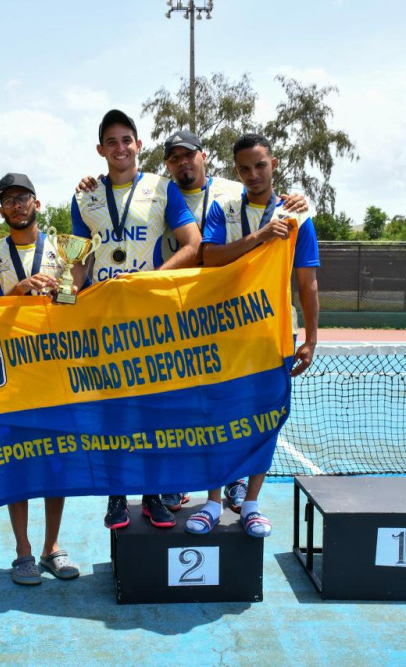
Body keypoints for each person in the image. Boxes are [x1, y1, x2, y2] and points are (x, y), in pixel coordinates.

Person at [79, 128, 309, 516]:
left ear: (205, 157)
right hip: (176, 317)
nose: (183, 163)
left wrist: (295, 200)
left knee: (237, 405)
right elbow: (84, 247)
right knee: (182, 407)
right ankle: (166, 487)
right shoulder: (160, 191)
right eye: (174, 158)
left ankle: (234, 488)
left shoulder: (226, 197)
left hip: (238, 316)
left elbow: (262, 209)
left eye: (189, 155)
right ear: (167, 164)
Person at [71, 109, 201, 531]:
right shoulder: (84, 198)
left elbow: (192, 244)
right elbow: (79, 260)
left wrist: (151, 282)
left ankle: (151, 496)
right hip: (104, 322)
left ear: (139, 145)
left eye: (127, 140)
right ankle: (115, 497)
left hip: (150, 320)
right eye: (111, 142)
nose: (120, 148)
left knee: (151, 412)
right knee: (111, 413)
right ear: (100, 150)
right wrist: (68, 297)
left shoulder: (163, 189)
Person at [189, 132, 320, 538]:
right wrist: (260, 237)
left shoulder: (298, 216)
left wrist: (311, 338)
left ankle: (250, 505)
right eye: (244, 168)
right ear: (236, 171)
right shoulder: (223, 209)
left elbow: (308, 284)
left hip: (273, 337)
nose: (253, 174)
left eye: (260, 165)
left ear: (274, 164)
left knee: (265, 421)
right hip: (224, 336)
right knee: (217, 420)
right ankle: (212, 502)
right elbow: (209, 258)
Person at [0, 172, 80, 586]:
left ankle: (51, 548)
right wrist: (18, 289)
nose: (17, 206)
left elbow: (75, 302)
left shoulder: (64, 248)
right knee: (17, 462)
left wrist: (61, 294)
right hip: (10, 375)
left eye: (23, 198)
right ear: (2, 209)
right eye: (8, 201)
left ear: (37, 203)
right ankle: (23, 553)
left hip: (56, 370)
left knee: (57, 462)